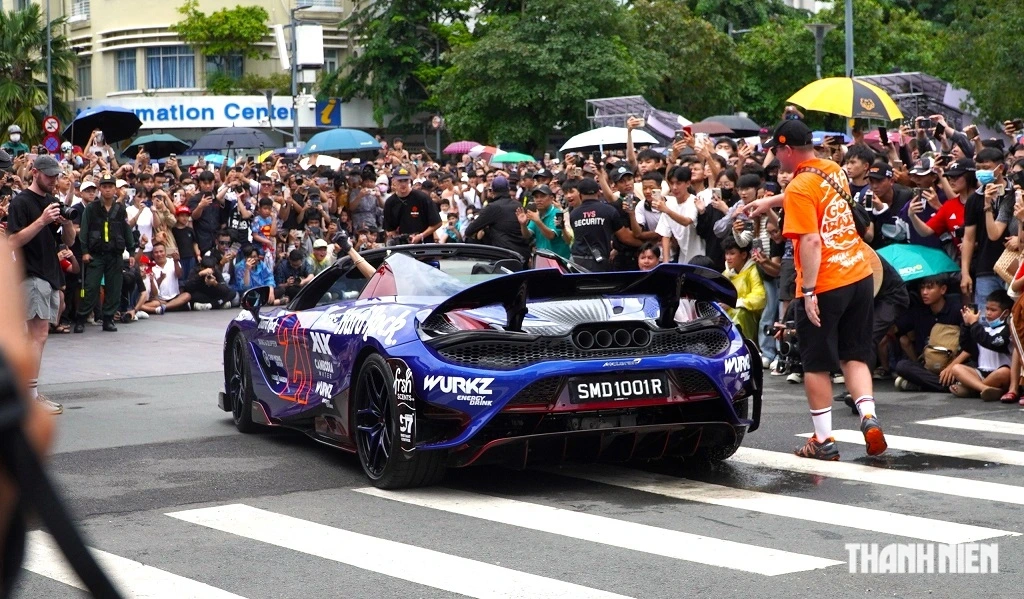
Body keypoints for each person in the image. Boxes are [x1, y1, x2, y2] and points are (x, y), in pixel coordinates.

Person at [751, 119, 887, 460]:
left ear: (787, 149)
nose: (774, 158)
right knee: (854, 354)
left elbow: (810, 240)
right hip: (858, 275)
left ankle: (823, 440)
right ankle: (868, 417)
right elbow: (813, 192)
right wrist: (772, 202)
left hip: (825, 283)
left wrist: (808, 291)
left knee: (816, 363)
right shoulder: (833, 170)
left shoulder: (799, 188)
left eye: (775, 151)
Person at [5, 155, 76, 414]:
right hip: (31, 274)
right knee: (38, 335)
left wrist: (66, 222)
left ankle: (28, 393)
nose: (54, 180)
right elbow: (13, 241)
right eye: (49, 176)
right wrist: (42, 221)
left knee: (38, 337)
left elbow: (68, 241)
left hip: (49, 274)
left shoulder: (52, 202)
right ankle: (29, 397)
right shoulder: (21, 202)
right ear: (34, 173)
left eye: (56, 176)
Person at [568, 177, 638, 271]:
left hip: (577, 262)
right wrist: (645, 243)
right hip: (600, 263)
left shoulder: (574, 214)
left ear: (580, 195)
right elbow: (625, 238)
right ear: (598, 193)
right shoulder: (609, 211)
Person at [465, 176, 531, 258]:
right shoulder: (518, 204)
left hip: (505, 256)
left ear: (492, 191)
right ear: (508, 189)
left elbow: (468, 231)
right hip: (523, 255)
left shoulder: (493, 207)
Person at [720, 237, 766, 340]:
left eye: (732, 253)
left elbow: (760, 297)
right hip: (727, 316)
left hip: (750, 318)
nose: (728, 257)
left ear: (744, 255)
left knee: (740, 312)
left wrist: (735, 303)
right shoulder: (725, 274)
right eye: (726, 253)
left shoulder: (753, 271)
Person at [383, 166, 442, 243]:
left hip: (424, 244)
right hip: (402, 247)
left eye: (406, 180)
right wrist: (397, 238)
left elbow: (437, 223)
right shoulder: (390, 202)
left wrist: (421, 236)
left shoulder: (422, 198)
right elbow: (390, 229)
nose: (403, 184)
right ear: (393, 181)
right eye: (400, 181)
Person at [516, 183, 570, 259]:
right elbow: (527, 235)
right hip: (542, 259)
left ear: (551, 198)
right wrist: (523, 224)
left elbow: (551, 236)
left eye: (542, 196)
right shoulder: (536, 213)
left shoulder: (558, 213)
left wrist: (538, 221)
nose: (538, 200)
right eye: (536, 197)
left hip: (558, 260)